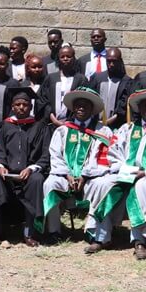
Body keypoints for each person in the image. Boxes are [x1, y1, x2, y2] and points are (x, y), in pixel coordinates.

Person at [85, 90, 146, 259]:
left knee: (142, 186)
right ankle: (101, 236)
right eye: (144, 105)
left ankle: (141, 241)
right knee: (102, 183)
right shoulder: (127, 128)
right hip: (125, 173)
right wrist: (123, 168)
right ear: (138, 108)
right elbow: (114, 152)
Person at [41, 89, 114, 243]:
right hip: (65, 176)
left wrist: (85, 175)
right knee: (50, 184)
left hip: (92, 177)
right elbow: (55, 155)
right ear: (73, 108)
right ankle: (54, 231)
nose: (81, 108)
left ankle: (94, 233)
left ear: (92, 109)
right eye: (78, 105)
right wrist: (67, 174)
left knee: (103, 185)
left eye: (85, 105)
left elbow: (104, 159)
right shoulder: (63, 130)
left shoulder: (102, 131)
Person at [0, 87, 49, 246]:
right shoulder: (3, 126)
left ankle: (30, 233)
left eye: (25, 104)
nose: (21, 107)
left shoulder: (40, 127)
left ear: (31, 106)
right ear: (12, 106)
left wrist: (32, 168)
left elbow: (45, 154)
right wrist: (0, 166)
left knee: (37, 180)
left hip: (29, 174)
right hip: (6, 174)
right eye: (17, 104)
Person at [40, 44, 89, 125]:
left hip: (73, 124)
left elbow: (83, 103)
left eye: (68, 56)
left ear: (74, 59)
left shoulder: (81, 79)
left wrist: (70, 120)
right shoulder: (51, 78)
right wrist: (53, 119)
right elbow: (43, 100)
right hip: (51, 123)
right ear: (58, 59)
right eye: (62, 57)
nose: (65, 59)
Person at [90, 47, 131, 129]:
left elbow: (123, 105)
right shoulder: (97, 78)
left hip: (117, 126)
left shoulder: (127, 81)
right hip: (95, 124)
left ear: (120, 61)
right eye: (109, 61)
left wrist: (108, 122)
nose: (111, 64)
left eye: (114, 61)